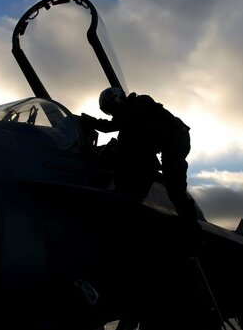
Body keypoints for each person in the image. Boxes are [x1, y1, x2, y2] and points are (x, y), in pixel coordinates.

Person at [81, 87, 199, 234]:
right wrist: (88, 121)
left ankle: (193, 234)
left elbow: (119, 132)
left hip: (175, 143)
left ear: (118, 101)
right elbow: (116, 127)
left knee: (175, 189)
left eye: (111, 109)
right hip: (162, 144)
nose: (112, 114)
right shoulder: (131, 113)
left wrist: (90, 122)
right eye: (108, 111)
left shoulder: (139, 107)